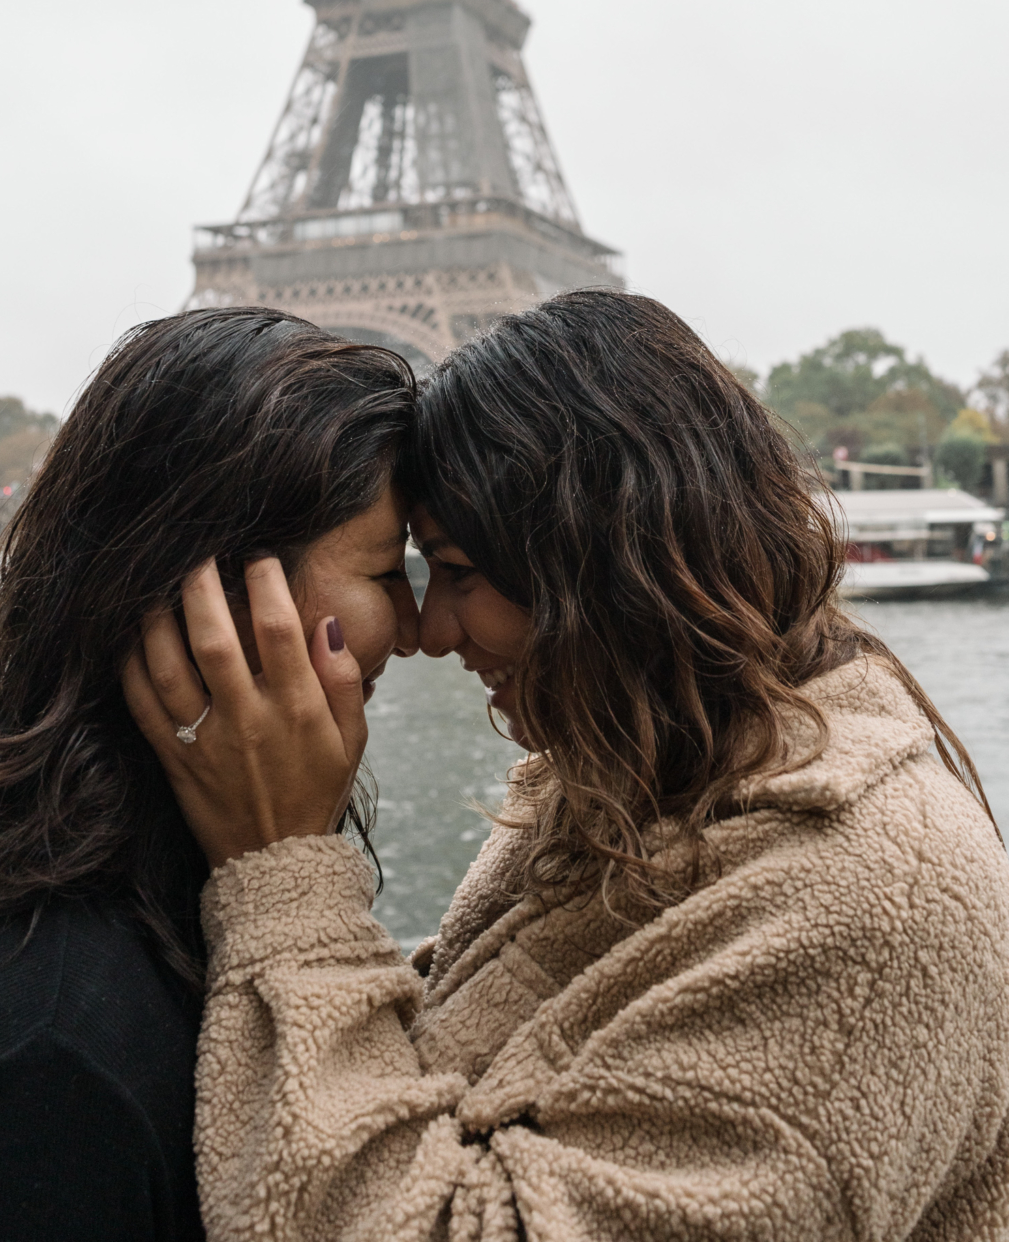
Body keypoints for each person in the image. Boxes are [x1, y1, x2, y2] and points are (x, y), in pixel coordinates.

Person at [128, 290, 1009, 1241]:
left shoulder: (875, 901)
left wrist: (286, 871)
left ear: (605, 563)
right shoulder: (630, 780)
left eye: (457, 573)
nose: (429, 631)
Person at [0, 307, 419, 1242]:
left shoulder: (136, 924)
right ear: (218, 597)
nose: (417, 629)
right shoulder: (34, 1049)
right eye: (383, 575)